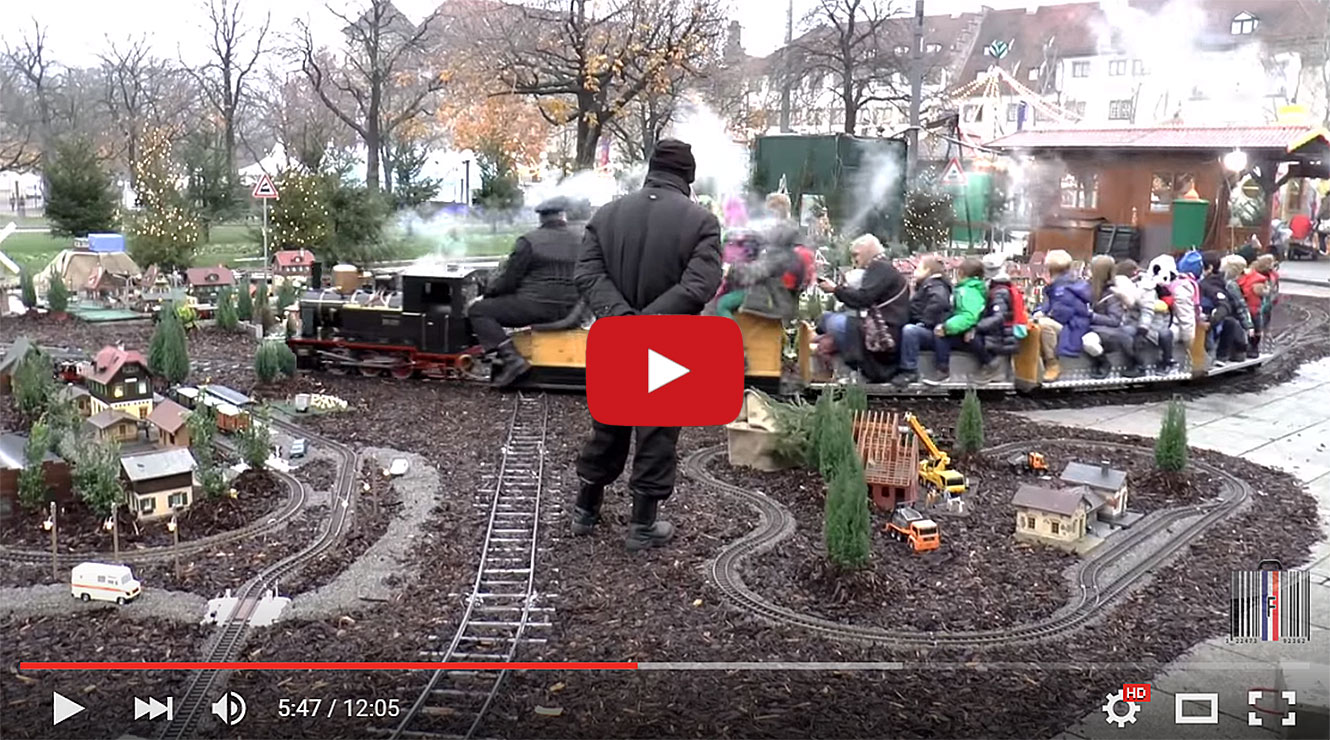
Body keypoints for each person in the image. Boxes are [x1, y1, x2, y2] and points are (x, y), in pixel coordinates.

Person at [570, 139, 723, 552]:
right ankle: (642, 525)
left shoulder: (607, 214)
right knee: (657, 431)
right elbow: (700, 285)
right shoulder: (701, 221)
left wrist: (621, 317)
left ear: (650, 168)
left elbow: (586, 273)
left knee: (607, 423)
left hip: (616, 336)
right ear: (688, 176)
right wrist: (649, 322)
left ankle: (585, 511)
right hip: (668, 343)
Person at [467, 196, 582, 387]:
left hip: (534, 307)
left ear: (541, 218)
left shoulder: (528, 241)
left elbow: (508, 281)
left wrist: (487, 294)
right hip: (572, 310)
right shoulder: (583, 241)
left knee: (479, 311)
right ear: (564, 216)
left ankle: (513, 361)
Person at [815, 234, 909, 383]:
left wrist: (835, 290)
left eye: (855, 255)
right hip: (880, 324)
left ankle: (855, 368)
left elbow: (862, 298)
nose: (854, 260)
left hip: (884, 331)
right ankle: (824, 340)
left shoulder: (880, 267)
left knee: (833, 322)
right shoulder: (882, 267)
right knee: (828, 319)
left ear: (868, 250)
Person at [1032, 249, 1091, 382]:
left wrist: (1043, 316)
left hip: (1073, 327)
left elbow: (1062, 314)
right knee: (1037, 322)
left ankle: (1052, 362)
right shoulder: (1060, 286)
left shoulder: (1064, 289)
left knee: (1044, 325)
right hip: (1070, 324)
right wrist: (1039, 312)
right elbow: (1047, 304)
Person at [1083, 255, 1139, 378]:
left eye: (1090, 269)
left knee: (1089, 342)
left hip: (1109, 332)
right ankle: (1100, 361)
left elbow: (1114, 320)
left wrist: (1092, 316)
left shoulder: (1112, 293)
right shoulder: (1086, 287)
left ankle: (1104, 364)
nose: (1087, 272)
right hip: (1091, 328)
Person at [974, 253, 1027, 380]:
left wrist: (977, 326)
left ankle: (991, 366)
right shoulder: (1000, 288)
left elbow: (999, 317)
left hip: (999, 335)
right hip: (1003, 333)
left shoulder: (999, 291)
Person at [1197, 251, 1250, 363]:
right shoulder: (1220, 284)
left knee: (1229, 323)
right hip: (1207, 322)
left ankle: (1222, 353)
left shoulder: (1212, 285)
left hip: (1210, 324)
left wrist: (1212, 321)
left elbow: (1228, 306)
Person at [1238, 254, 1276, 358]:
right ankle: (1253, 349)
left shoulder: (1247, 275)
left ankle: (1248, 347)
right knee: (1257, 329)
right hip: (1255, 307)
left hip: (1248, 306)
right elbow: (1260, 291)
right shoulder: (1258, 279)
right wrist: (1267, 289)